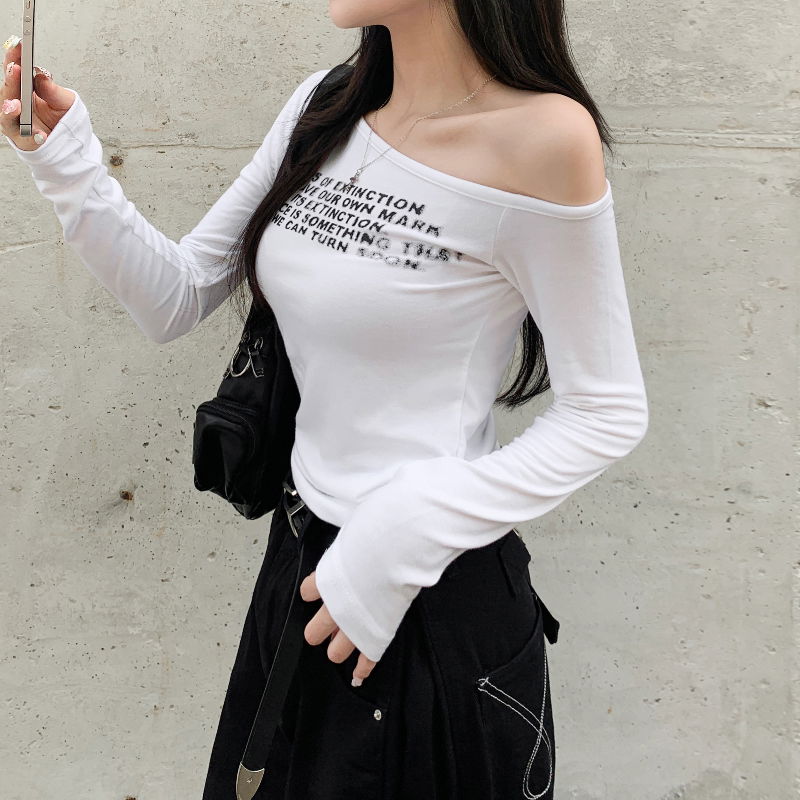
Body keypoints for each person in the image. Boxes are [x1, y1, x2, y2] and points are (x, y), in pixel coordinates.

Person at [2, 1, 649, 797]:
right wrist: (67, 162)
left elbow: (606, 409)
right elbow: (177, 295)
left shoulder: (544, 137)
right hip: (300, 566)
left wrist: (404, 531)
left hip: (430, 594)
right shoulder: (326, 105)